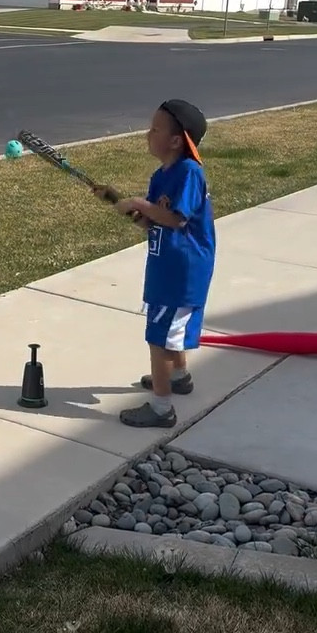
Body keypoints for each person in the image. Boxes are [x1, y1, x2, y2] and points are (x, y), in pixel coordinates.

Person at [98, 99, 215, 428]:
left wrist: (138, 203)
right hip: (167, 265)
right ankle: (178, 377)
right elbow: (155, 222)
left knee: (160, 337)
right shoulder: (160, 175)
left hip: (183, 269)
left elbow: (177, 218)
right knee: (170, 331)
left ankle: (162, 408)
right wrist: (130, 210)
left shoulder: (189, 172)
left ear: (176, 140)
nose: (148, 134)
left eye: (155, 129)